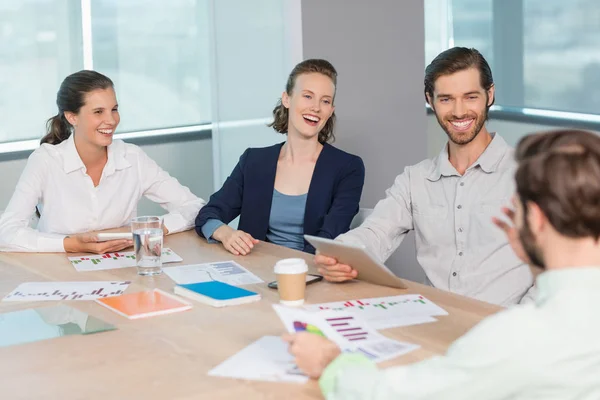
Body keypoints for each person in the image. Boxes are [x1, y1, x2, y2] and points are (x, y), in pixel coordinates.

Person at [284, 129, 600, 399]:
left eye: (514, 211)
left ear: (535, 219)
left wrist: (331, 362)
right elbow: (377, 230)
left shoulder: (518, 338)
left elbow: (397, 396)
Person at [317, 47, 533, 305]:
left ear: (490, 95)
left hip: (504, 330)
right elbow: (376, 232)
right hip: (434, 322)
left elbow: (560, 268)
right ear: (430, 99)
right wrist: (339, 254)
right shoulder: (415, 179)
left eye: (470, 97)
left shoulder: (528, 175)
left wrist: (521, 324)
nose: (459, 111)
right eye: (446, 99)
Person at [0, 70, 205, 254]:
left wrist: (145, 228)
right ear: (72, 117)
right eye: (99, 112)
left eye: (114, 109)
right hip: (59, 273)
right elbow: (7, 233)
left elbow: (195, 207)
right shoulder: (45, 160)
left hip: (122, 271)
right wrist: (71, 244)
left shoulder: (132, 158)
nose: (112, 120)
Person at [195, 59, 365, 255]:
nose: (316, 107)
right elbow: (207, 215)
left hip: (312, 274)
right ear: (286, 99)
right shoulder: (253, 161)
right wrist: (225, 233)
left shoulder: (348, 168)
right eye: (308, 96)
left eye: (325, 101)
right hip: (255, 271)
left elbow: (329, 239)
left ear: (330, 111)